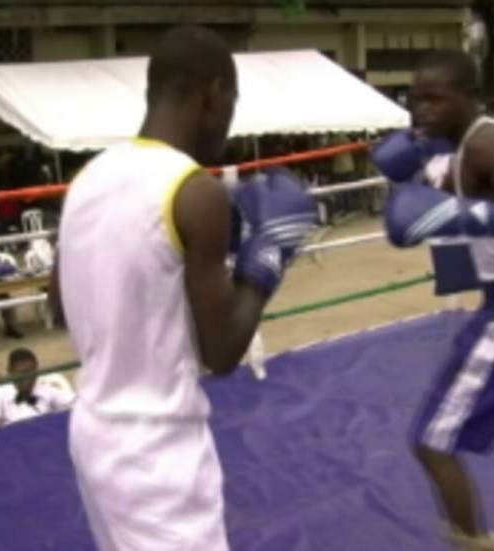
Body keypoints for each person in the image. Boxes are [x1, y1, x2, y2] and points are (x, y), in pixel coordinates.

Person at [53, 25, 317, 551]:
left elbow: (59, 305)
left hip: (93, 433)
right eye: (232, 103)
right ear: (213, 93)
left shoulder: (89, 177)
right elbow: (222, 353)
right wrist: (267, 256)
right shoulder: (195, 191)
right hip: (158, 450)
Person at [372, 50, 494, 550]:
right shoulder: (451, 147)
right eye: (416, 101)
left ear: (468, 97)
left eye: (437, 99)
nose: (424, 109)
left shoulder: (486, 145)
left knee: (431, 440)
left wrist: (465, 218)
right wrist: (414, 159)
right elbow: (442, 187)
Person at [0, 348, 74, 428]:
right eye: (22, 374)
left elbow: (75, 403)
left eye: (32, 373)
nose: (28, 380)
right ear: (10, 372)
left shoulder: (44, 389)